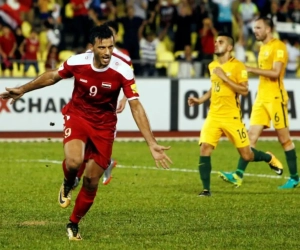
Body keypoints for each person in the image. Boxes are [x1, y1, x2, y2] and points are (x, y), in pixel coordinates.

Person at [0, 24, 172, 240]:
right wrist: (23, 89)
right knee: (73, 162)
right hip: (78, 116)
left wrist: (151, 142)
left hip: (105, 126)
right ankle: (68, 182)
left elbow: (136, 105)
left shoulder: (123, 69)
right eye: (102, 48)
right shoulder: (77, 62)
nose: (108, 52)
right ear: (93, 48)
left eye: (110, 47)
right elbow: (53, 76)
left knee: (91, 180)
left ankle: (73, 223)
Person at [187, 32, 283, 197]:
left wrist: (225, 78)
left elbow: (244, 90)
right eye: (216, 42)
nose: (216, 44)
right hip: (214, 116)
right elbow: (214, 87)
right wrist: (201, 100)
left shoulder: (238, 66)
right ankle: (206, 190)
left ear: (229, 47)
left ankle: (268, 157)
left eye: (221, 42)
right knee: (205, 148)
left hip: (232, 117)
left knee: (247, 154)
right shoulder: (212, 66)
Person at [219, 17, 299, 189]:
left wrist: (250, 69)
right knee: (249, 139)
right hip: (261, 98)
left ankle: (295, 177)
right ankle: (238, 175)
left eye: (258, 27)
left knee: (284, 140)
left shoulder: (279, 47)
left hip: (276, 98)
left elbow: (276, 73)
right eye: (254, 27)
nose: (255, 30)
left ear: (268, 29)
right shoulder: (262, 47)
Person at [73, 20, 131, 188]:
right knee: (86, 144)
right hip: (87, 108)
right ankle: (81, 175)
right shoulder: (91, 53)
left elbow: (130, 81)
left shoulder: (124, 58)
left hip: (107, 110)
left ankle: (102, 166)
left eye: (110, 35)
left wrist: (124, 99)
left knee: (96, 147)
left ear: (116, 37)